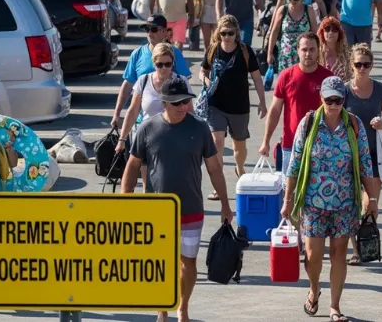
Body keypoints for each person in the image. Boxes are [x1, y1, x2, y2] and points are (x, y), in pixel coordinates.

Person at [122, 77, 232, 322]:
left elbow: (214, 168)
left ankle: (183, 307)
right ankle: (162, 310)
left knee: (188, 262)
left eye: (186, 101)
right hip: (158, 211)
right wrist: (124, 202)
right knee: (161, 262)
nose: (183, 107)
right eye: (177, 103)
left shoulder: (200, 128)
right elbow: (132, 166)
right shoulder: (147, 128)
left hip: (191, 207)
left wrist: (225, 204)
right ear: (164, 103)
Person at [281, 76, 377, 322]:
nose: (334, 104)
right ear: (321, 98)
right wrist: (288, 200)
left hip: (345, 203)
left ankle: (335, 306)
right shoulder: (309, 123)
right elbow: (295, 163)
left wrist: (371, 198)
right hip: (314, 203)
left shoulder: (353, 124)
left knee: (338, 253)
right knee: (312, 257)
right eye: (329, 99)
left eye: (338, 100)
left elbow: (366, 162)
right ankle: (314, 289)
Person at [200, 15, 266, 200]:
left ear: (236, 33)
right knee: (217, 143)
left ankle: (240, 168)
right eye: (223, 33)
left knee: (239, 150)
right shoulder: (213, 50)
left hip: (239, 107)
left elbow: (256, 77)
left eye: (230, 33)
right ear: (218, 34)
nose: (227, 37)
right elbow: (203, 70)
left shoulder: (245, 51)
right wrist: (205, 80)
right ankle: (218, 187)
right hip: (216, 105)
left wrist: (262, 101)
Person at [343, 43, 382, 265]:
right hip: (349, 155)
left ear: (371, 66)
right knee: (354, 205)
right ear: (351, 66)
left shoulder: (380, 89)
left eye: (366, 64)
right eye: (358, 64)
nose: (362, 68)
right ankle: (357, 251)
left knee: (370, 204)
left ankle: (367, 242)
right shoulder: (343, 91)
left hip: (374, 154)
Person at [114, 42, 194, 179]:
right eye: (159, 65)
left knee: (170, 180)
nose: (164, 68)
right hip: (148, 138)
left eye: (168, 64)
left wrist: (193, 138)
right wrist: (122, 139)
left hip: (174, 138)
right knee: (148, 186)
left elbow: (190, 111)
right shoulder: (143, 81)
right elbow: (133, 111)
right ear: (153, 63)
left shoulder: (181, 81)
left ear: (173, 63)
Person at [259, 32, 333, 173]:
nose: (308, 54)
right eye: (304, 49)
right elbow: (275, 110)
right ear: (297, 50)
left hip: (321, 146)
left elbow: (337, 113)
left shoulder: (328, 78)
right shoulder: (286, 76)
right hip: (291, 145)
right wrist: (265, 141)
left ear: (319, 50)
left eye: (312, 49)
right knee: (289, 193)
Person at [111, 14, 191, 131]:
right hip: (143, 122)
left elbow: (184, 88)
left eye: (153, 29)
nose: (149, 33)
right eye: (147, 29)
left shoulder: (174, 54)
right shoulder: (137, 54)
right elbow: (127, 86)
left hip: (171, 123)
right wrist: (116, 114)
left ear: (164, 31)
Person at [267, 0, 318, 72]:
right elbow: (274, 32)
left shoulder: (309, 10)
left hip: (304, 55)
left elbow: (315, 33)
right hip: (285, 56)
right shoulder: (283, 10)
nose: (292, 1)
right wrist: (270, 52)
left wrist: (316, 52)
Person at [318, 16, 352, 81]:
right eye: (327, 29)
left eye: (335, 30)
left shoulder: (347, 55)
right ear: (322, 33)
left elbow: (351, 79)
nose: (331, 32)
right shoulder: (317, 55)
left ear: (339, 34)